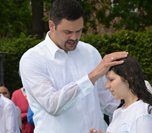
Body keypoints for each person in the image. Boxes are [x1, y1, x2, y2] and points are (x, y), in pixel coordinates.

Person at [19, 0, 128, 132]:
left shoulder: (90, 52)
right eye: (68, 32)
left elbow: (106, 100)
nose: (74, 37)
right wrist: (93, 76)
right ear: (52, 25)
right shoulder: (32, 59)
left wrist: (135, 108)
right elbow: (53, 105)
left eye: (79, 31)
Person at [89, 55, 152, 133]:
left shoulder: (142, 113)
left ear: (129, 79)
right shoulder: (117, 112)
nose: (107, 86)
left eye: (111, 79)